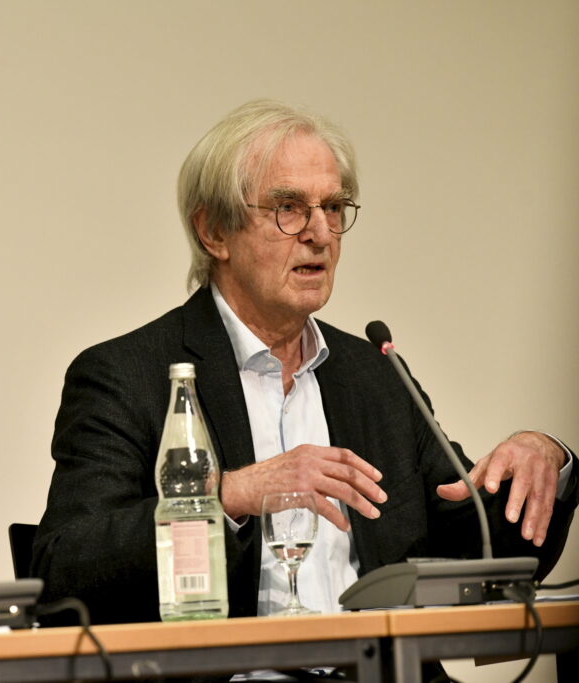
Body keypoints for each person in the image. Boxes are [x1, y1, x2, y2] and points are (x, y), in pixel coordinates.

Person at [33, 99, 576, 627]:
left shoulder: (374, 376)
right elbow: (66, 566)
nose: (320, 233)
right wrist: (230, 494)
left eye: (334, 208)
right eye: (289, 208)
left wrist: (545, 458)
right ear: (213, 231)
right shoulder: (128, 376)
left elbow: (473, 543)